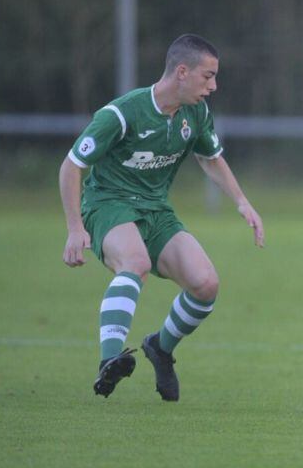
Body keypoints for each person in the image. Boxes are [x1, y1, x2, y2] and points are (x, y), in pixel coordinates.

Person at [59, 34, 264, 401]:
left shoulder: (195, 113)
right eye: (208, 76)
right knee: (135, 262)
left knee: (205, 284)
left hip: (156, 209)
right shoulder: (122, 113)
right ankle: (109, 359)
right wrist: (75, 228)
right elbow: (71, 166)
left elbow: (210, 157)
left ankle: (160, 348)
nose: (214, 86)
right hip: (108, 204)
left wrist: (242, 201)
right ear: (182, 72)